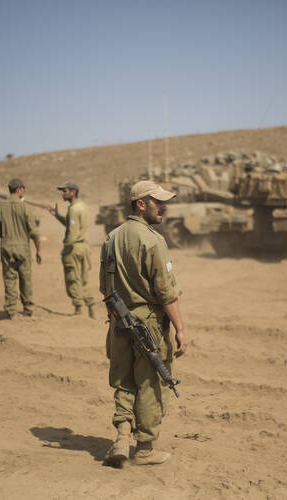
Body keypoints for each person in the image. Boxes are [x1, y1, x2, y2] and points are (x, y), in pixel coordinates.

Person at [99, 180, 189, 467]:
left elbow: (104, 286)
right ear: (141, 204)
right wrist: (180, 330)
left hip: (118, 321)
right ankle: (146, 449)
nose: (164, 207)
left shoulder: (111, 238)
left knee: (123, 381)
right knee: (151, 384)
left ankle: (121, 439)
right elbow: (166, 292)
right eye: (158, 201)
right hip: (148, 323)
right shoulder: (153, 240)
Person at [0, 178, 42, 319]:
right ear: (19, 189)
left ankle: (11, 310)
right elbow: (35, 233)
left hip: (6, 248)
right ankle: (28, 309)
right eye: (23, 188)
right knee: (26, 279)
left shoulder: (0, 207)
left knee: (9, 279)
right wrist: (38, 250)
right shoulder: (25, 207)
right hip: (23, 249)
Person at [48, 181, 96, 318]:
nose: (63, 194)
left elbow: (72, 233)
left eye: (65, 191)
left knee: (72, 278)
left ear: (73, 192)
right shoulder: (82, 206)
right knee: (84, 279)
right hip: (84, 247)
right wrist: (57, 216)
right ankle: (91, 307)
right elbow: (71, 225)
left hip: (74, 248)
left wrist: (66, 248)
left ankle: (78, 309)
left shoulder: (74, 209)